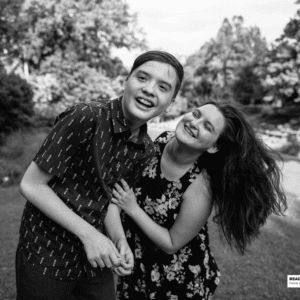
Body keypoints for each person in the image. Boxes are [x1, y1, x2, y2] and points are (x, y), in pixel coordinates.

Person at [15, 50, 184, 300]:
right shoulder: (85, 117)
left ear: (170, 102)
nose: (150, 89)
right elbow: (31, 185)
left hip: (95, 259)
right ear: (126, 81)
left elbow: (110, 202)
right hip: (46, 252)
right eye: (142, 78)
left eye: (163, 87)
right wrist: (89, 234)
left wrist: (119, 240)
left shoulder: (146, 149)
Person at [111, 101, 287, 300]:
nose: (195, 123)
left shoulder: (200, 187)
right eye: (196, 114)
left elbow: (171, 242)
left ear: (213, 146)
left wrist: (132, 208)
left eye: (207, 126)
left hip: (176, 281)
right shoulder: (159, 141)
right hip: (137, 266)